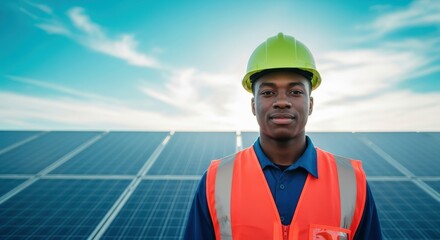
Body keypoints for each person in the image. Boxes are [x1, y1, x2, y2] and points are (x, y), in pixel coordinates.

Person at [184, 33, 382, 240]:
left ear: (311, 105)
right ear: (253, 106)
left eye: (295, 92)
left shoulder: (351, 181)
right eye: (268, 93)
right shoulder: (216, 180)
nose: (281, 102)